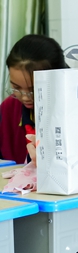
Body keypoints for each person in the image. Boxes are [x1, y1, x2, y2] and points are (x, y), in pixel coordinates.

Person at [2, 35, 67, 163]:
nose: (25, 97)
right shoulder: (9, 108)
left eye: (34, 90)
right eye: (16, 87)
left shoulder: (73, 111)